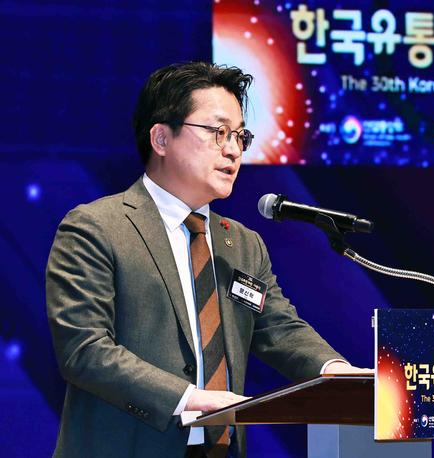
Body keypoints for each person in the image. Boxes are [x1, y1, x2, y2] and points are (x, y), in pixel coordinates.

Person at [46, 61, 368, 458]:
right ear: (161, 138)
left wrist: (335, 372)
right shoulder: (97, 228)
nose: (233, 149)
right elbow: (85, 350)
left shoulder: (243, 244)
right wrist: (191, 398)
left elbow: (280, 329)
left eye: (240, 136)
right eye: (218, 132)